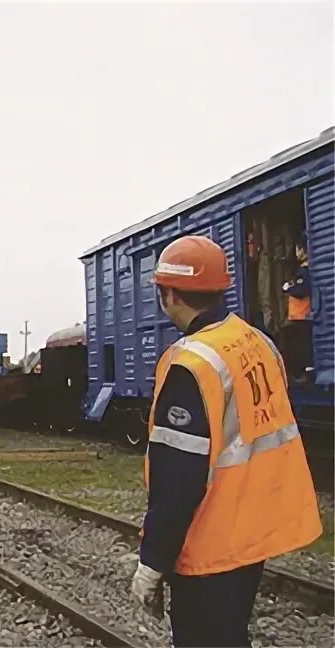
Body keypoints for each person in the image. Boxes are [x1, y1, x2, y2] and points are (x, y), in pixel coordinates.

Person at [130, 235, 321, 648]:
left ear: (168, 294)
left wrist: (152, 562)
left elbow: (178, 481)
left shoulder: (190, 364)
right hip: (254, 534)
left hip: (211, 543)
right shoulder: (258, 342)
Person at [281, 242, 313, 383]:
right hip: (299, 316)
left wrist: (288, 288)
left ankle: (303, 375)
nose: (296, 252)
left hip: (301, 316)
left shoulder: (304, 270)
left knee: (301, 347)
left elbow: (301, 291)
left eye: (297, 249)